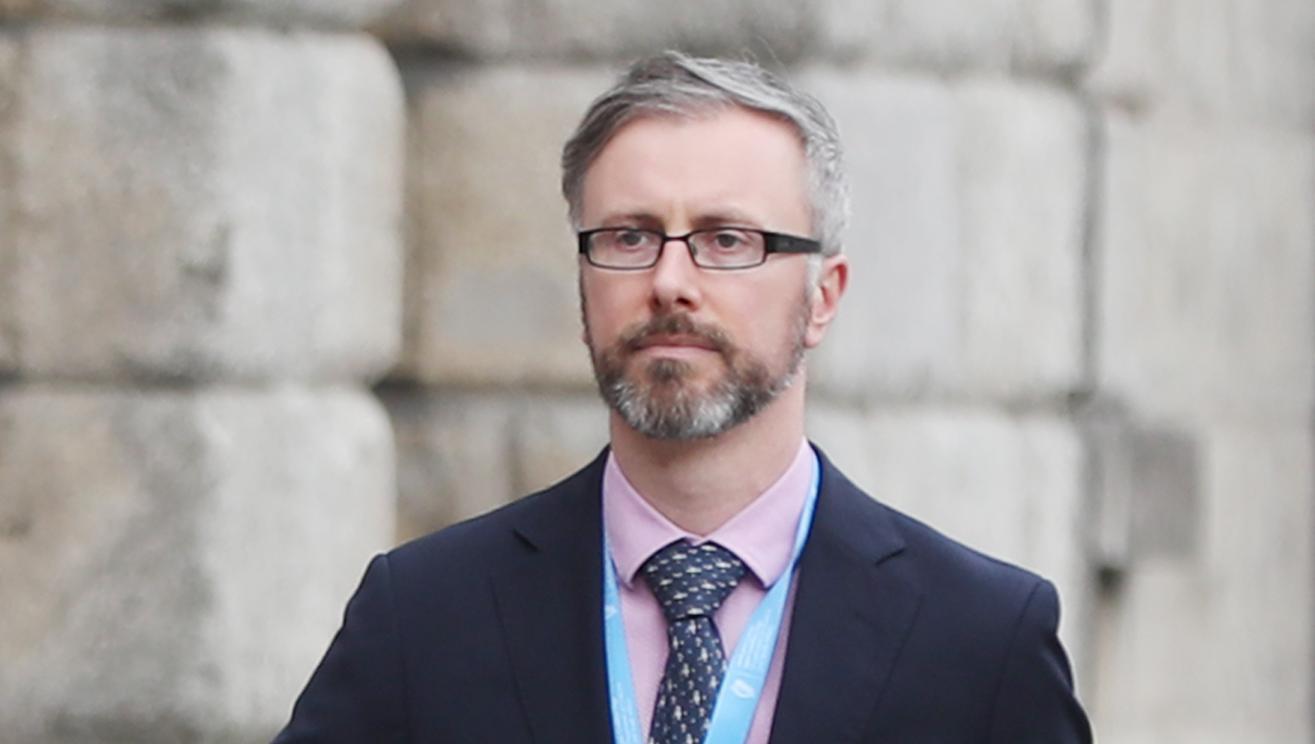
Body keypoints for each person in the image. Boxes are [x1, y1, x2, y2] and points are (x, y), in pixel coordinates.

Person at [275, 51, 1093, 743]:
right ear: (583, 284)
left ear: (823, 297)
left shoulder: (979, 639)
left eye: (726, 239)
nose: (670, 281)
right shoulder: (425, 615)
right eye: (628, 236)